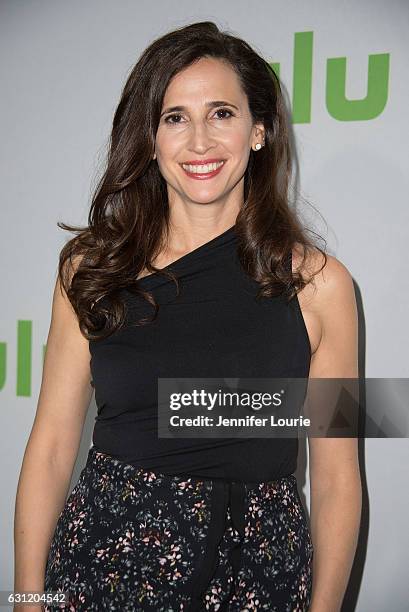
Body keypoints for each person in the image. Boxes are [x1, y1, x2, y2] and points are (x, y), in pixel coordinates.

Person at [14, 20, 362, 612]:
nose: (199, 141)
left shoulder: (320, 285)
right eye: (175, 117)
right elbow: (50, 446)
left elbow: (336, 478)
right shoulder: (92, 269)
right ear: (150, 139)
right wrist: (26, 598)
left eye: (222, 113)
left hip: (258, 574)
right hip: (107, 565)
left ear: (259, 131)